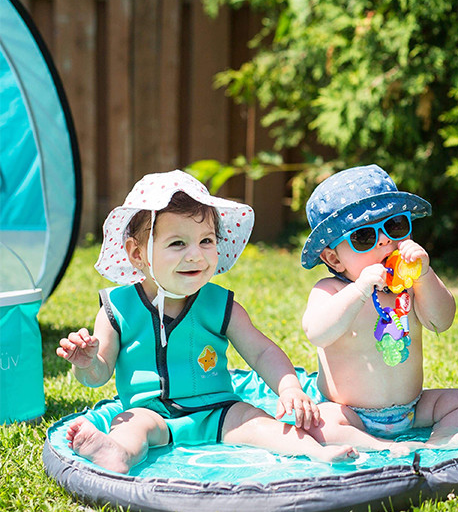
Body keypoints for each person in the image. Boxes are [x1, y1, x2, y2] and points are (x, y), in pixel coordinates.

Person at [57, 170, 355, 473]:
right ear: (137, 253)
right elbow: (97, 375)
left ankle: (313, 452)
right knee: (128, 425)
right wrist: (87, 363)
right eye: (177, 244)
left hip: (219, 412)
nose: (196, 256)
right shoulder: (117, 308)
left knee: (255, 420)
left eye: (206, 240)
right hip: (151, 413)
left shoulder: (219, 305)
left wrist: (289, 388)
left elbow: (262, 352)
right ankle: (117, 452)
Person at [299, 164, 458, 449]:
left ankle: (438, 442)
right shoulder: (331, 290)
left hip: (413, 407)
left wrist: (424, 274)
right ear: (334, 260)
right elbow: (317, 333)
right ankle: (380, 447)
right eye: (364, 237)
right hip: (349, 413)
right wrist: (360, 290)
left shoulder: (411, 285)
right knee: (318, 424)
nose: (386, 240)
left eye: (395, 225)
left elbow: (441, 321)